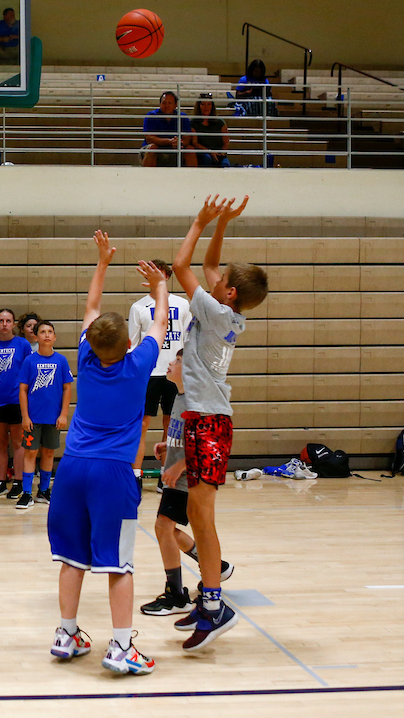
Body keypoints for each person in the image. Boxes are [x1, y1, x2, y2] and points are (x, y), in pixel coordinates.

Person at [47, 230, 167, 675]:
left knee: (72, 558)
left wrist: (102, 262)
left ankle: (67, 632)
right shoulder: (138, 366)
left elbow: (90, 308)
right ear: (128, 346)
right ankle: (120, 647)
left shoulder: (85, 359)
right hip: (113, 474)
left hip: (72, 468)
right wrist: (160, 286)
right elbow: (159, 322)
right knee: (119, 563)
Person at [171, 195, 268, 651]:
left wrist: (199, 221)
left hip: (209, 421)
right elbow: (211, 262)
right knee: (195, 512)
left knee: (203, 519)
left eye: (223, 279)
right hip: (204, 418)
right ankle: (209, 596)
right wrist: (223, 226)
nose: (217, 275)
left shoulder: (212, 310)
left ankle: (214, 603)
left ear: (228, 292)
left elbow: (181, 264)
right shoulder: (226, 308)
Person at [140, 350, 234, 616]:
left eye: (177, 361)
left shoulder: (196, 402)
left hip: (186, 478)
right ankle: (215, 566)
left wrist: (179, 465)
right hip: (178, 475)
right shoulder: (180, 399)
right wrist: (167, 447)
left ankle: (177, 595)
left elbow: (204, 443)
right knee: (165, 529)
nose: (170, 363)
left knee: (163, 528)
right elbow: (183, 439)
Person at [128, 260, 192, 487]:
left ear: (165, 275)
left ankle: (166, 475)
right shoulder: (138, 307)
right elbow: (132, 345)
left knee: (171, 424)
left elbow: (187, 341)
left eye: (157, 272)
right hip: (148, 373)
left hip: (173, 373)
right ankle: (135, 475)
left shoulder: (182, 304)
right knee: (141, 424)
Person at [18, 320, 72, 510]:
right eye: (43, 332)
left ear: (55, 337)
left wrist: (64, 414)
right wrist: (25, 416)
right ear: (36, 336)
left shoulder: (61, 360)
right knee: (30, 452)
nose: (47, 335)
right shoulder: (29, 360)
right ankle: (26, 493)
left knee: (48, 452)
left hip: (53, 417)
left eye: (50, 331)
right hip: (33, 418)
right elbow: (23, 390)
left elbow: (67, 388)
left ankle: (43, 491)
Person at [0, 308, 31, 499]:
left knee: (18, 443)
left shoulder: (23, 344)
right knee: (0, 444)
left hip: (17, 401)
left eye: (8, 320)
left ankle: (19, 482)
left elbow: (30, 373)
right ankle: (2, 481)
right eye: (1, 321)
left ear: (13, 324)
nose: (4, 324)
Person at [141, 92, 196, 168]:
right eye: (164, 103)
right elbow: (150, 138)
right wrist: (169, 142)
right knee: (152, 148)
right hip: (156, 149)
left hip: (176, 150)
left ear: (175, 105)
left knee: (190, 149)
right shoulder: (151, 116)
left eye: (169, 103)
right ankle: (146, 177)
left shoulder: (182, 117)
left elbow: (187, 138)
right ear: (160, 104)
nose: (166, 106)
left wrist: (180, 143)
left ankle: (192, 178)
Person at [188, 94, 230, 167]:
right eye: (203, 104)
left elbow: (226, 142)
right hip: (203, 153)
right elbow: (195, 142)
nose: (206, 107)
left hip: (219, 153)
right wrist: (210, 151)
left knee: (225, 164)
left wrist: (222, 153)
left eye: (209, 104)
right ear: (199, 106)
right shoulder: (193, 123)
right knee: (207, 160)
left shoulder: (220, 122)